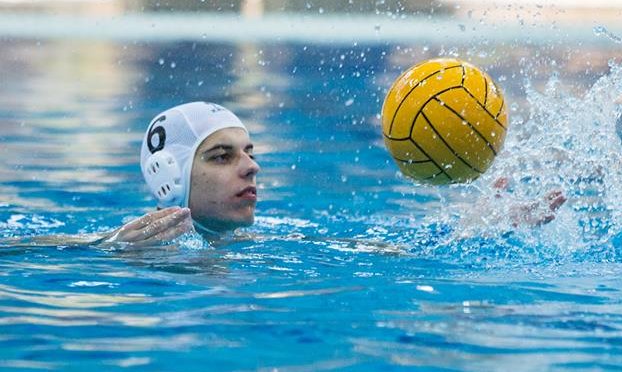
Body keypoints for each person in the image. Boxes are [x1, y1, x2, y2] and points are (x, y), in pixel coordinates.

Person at [102, 101, 564, 248]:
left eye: (249, 152)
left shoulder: (272, 242)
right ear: (170, 180)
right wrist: (108, 247)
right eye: (222, 156)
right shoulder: (136, 250)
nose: (251, 165)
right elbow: (28, 252)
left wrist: (479, 228)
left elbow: (391, 254)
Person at [101, 101, 259, 246]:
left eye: (250, 155)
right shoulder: (113, 248)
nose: (252, 166)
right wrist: (114, 248)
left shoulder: (259, 245)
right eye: (222, 157)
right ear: (169, 175)